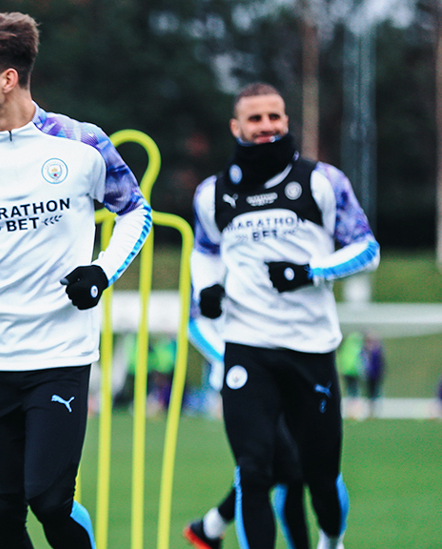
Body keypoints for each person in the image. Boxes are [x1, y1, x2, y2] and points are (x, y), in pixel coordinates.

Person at [0, 12, 152, 549]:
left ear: (8, 78)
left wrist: (101, 271)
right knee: (2, 513)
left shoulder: (83, 143)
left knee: (48, 499)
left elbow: (136, 213)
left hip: (60, 354)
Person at [190, 82, 380, 549]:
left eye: (274, 117)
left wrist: (309, 271)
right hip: (247, 347)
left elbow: (367, 249)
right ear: (236, 127)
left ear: (287, 122)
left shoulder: (323, 181)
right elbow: (205, 251)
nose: (266, 126)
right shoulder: (212, 193)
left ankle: (330, 540)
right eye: (255, 119)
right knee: (253, 472)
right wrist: (207, 289)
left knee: (319, 478)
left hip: (311, 349)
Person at [185, 312, 309, 549]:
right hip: (242, 381)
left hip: (275, 375)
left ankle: (210, 527)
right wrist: (237, 360)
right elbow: (194, 323)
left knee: (287, 468)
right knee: (263, 469)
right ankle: (210, 527)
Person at [361, 332, 385, 415]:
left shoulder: (377, 351)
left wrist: (381, 374)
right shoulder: (364, 351)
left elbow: (381, 364)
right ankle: (370, 410)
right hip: (368, 375)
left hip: (376, 375)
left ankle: (376, 410)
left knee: (376, 392)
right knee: (369, 393)